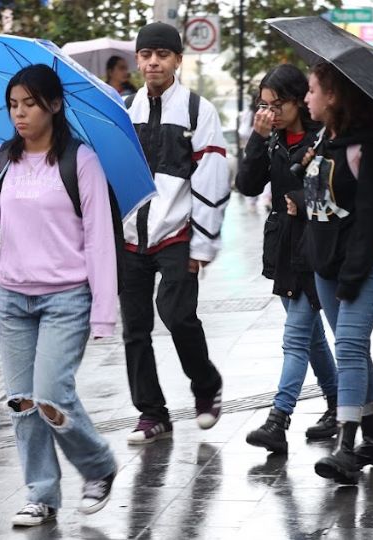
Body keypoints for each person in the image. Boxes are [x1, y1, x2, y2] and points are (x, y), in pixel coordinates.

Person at [0, 64, 118, 527]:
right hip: (11, 297)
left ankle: (98, 466)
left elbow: (99, 240)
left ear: (54, 105)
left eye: (29, 104)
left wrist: (103, 314)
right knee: (23, 403)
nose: (20, 114)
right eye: (13, 105)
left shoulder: (81, 162)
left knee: (52, 397)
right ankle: (42, 494)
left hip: (65, 299)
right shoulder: (2, 160)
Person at [121, 22, 231, 444]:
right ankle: (152, 413)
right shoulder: (125, 111)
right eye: (146, 54)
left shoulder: (197, 111)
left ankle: (206, 385)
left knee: (177, 314)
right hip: (130, 236)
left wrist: (202, 243)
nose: (153, 62)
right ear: (138, 60)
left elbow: (212, 177)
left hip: (177, 233)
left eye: (162, 55)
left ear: (177, 60)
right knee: (135, 328)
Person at [289, 61, 373, 484]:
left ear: (333, 97)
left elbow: (372, 219)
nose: (306, 99)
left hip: (363, 263)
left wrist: (352, 275)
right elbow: (314, 199)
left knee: (349, 347)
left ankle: (347, 447)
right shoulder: (325, 140)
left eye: (313, 91)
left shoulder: (369, 147)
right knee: (354, 349)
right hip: (327, 264)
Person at [235, 64, 339, 454]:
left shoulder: (323, 137)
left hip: (315, 247)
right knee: (311, 338)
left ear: (299, 100)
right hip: (283, 247)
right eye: (264, 106)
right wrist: (256, 140)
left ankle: (278, 419)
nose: (270, 113)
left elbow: (332, 192)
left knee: (296, 336)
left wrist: (301, 196)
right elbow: (247, 186)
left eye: (277, 105)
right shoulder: (272, 138)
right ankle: (338, 405)